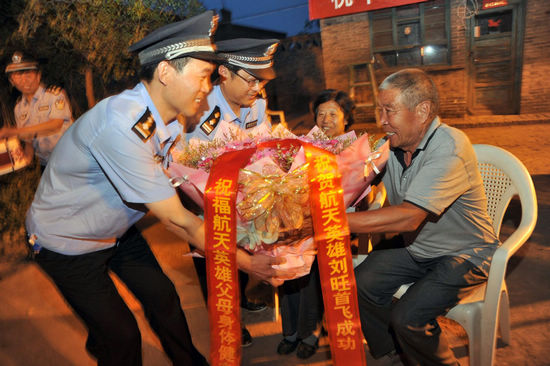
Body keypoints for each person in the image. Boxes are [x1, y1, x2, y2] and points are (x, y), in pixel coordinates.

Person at [24, 11, 294, 366]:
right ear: (166, 72)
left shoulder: (171, 118)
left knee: (163, 296)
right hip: (68, 244)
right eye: (202, 76)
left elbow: (192, 166)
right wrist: (249, 264)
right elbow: (179, 221)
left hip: (117, 230)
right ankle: (106, 342)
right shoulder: (122, 125)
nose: (207, 87)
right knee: (122, 335)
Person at [347, 68, 499, 366]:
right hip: (417, 248)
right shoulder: (390, 145)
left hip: (465, 253)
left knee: (408, 317)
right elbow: (357, 186)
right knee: (358, 283)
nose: (381, 121)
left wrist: (330, 221)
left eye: (389, 110)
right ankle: (394, 353)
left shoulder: (450, 147)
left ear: (423, 110)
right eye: (379, 110)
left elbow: (409, 218)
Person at [184, 37, 280, 347]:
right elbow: (185, 160)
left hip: (243, 200)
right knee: (211, 263)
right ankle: (224, 321)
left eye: (261, 81)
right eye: (251, 79)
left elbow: (263, 147)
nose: (258, 89)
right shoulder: (197, 107)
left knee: (241, 255)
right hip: (204, 201)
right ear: (224, 73)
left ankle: (238, 302)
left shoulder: (258, 104)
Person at [277, 89, 356, 359]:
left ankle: (311, 331)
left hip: (335, 225)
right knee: (282, 254)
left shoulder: (354, 150)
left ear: (347, 119)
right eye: (321, 114)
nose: (325, 119)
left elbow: (358, 192)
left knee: (310, 263)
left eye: (333, 113)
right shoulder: (304, 146)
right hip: (302, 220)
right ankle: (290, 330)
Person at [1, 52, 73, 171]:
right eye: (18, 76)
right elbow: (29, 143)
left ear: (38, 75)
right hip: (46, 165)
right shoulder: (19, 108)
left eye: (28, 74)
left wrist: (14, 131)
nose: (24, 80)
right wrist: (21, 159)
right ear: (12, 81)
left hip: (70, 159)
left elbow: (55, 125)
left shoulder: (54, 95)